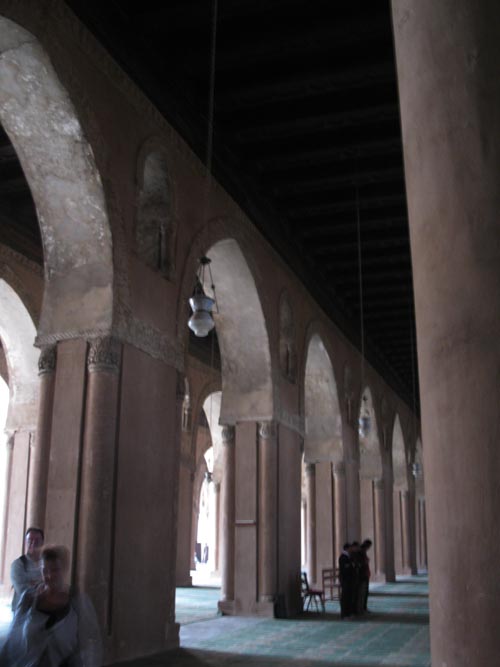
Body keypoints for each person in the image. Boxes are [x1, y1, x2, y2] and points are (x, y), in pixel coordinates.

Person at [0, 544, 102, 667]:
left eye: (55, 570)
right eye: (45, 570)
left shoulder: (78, 602)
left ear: (65, 569)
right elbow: (13, 638)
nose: (49, 576)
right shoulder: (28, 599)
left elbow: (91, 642)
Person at [10, 527, 44, 611]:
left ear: (42, 543)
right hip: (22, 611)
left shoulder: (47, 564)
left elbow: (53, 586)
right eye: (30, 540)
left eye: (37, 541)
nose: (33, 544)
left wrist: (32, 584)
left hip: (42, 611)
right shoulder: (18, 565)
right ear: (26, 542)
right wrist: (41, 585)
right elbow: (22, 592)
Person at [338, 542, 355, 619]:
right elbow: (345, 568)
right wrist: (351, 565)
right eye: (350, 548)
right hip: (345, 579)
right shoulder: (343, 557)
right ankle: (344, 614)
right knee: (345, 597)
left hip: (350, 579)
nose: (351, 549)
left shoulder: (349, 556)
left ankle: (348, 613)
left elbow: (351, 565)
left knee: (349, 596)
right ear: (347, 548)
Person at [359, 539, 373, 613]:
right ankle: (362, 607)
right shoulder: (361, 552)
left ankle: (363, 607)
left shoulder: (363, 552)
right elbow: (361, 563)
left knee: (365, 592)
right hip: (363, 575)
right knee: (363, 592)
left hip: (365, 574)